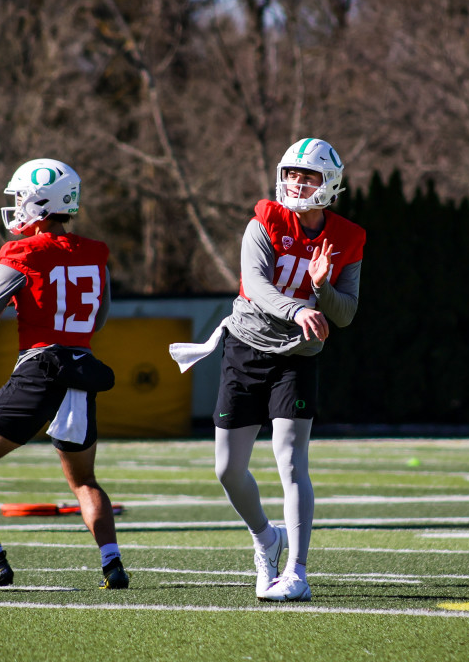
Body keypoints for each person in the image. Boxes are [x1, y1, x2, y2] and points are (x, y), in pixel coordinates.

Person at [169, 138, 365, 602]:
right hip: (246, 346)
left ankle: (297, 571)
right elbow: (255, 284)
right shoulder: (265, 221)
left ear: (329, 184)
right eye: (292, 173)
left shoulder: (347, 237)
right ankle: (265, 537)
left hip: (297, 358)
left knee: (291, 460)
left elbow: (346, 313)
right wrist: (299, 308)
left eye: (308, 175)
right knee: (227, 469)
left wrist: (323, 287)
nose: (296, 182)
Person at [0, 158, 128, 591]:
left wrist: (15, 297)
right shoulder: (95, 252)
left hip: (39, 369)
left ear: (40, 201)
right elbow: (98, 319)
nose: (15, 207)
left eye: (19, 198)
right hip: (80, 373)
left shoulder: (22, 253)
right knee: (85, 480)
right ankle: (113, 565)